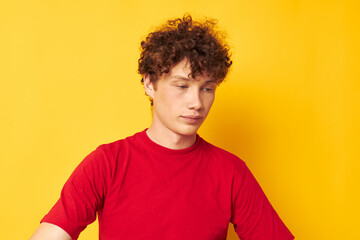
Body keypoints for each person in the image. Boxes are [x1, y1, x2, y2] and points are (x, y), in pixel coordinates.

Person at [30, 15, 294, 240]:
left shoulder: (231, 172)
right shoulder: (108, 163)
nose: (196, 103)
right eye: (182, 86)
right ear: (149, 84)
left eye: (207, 88)